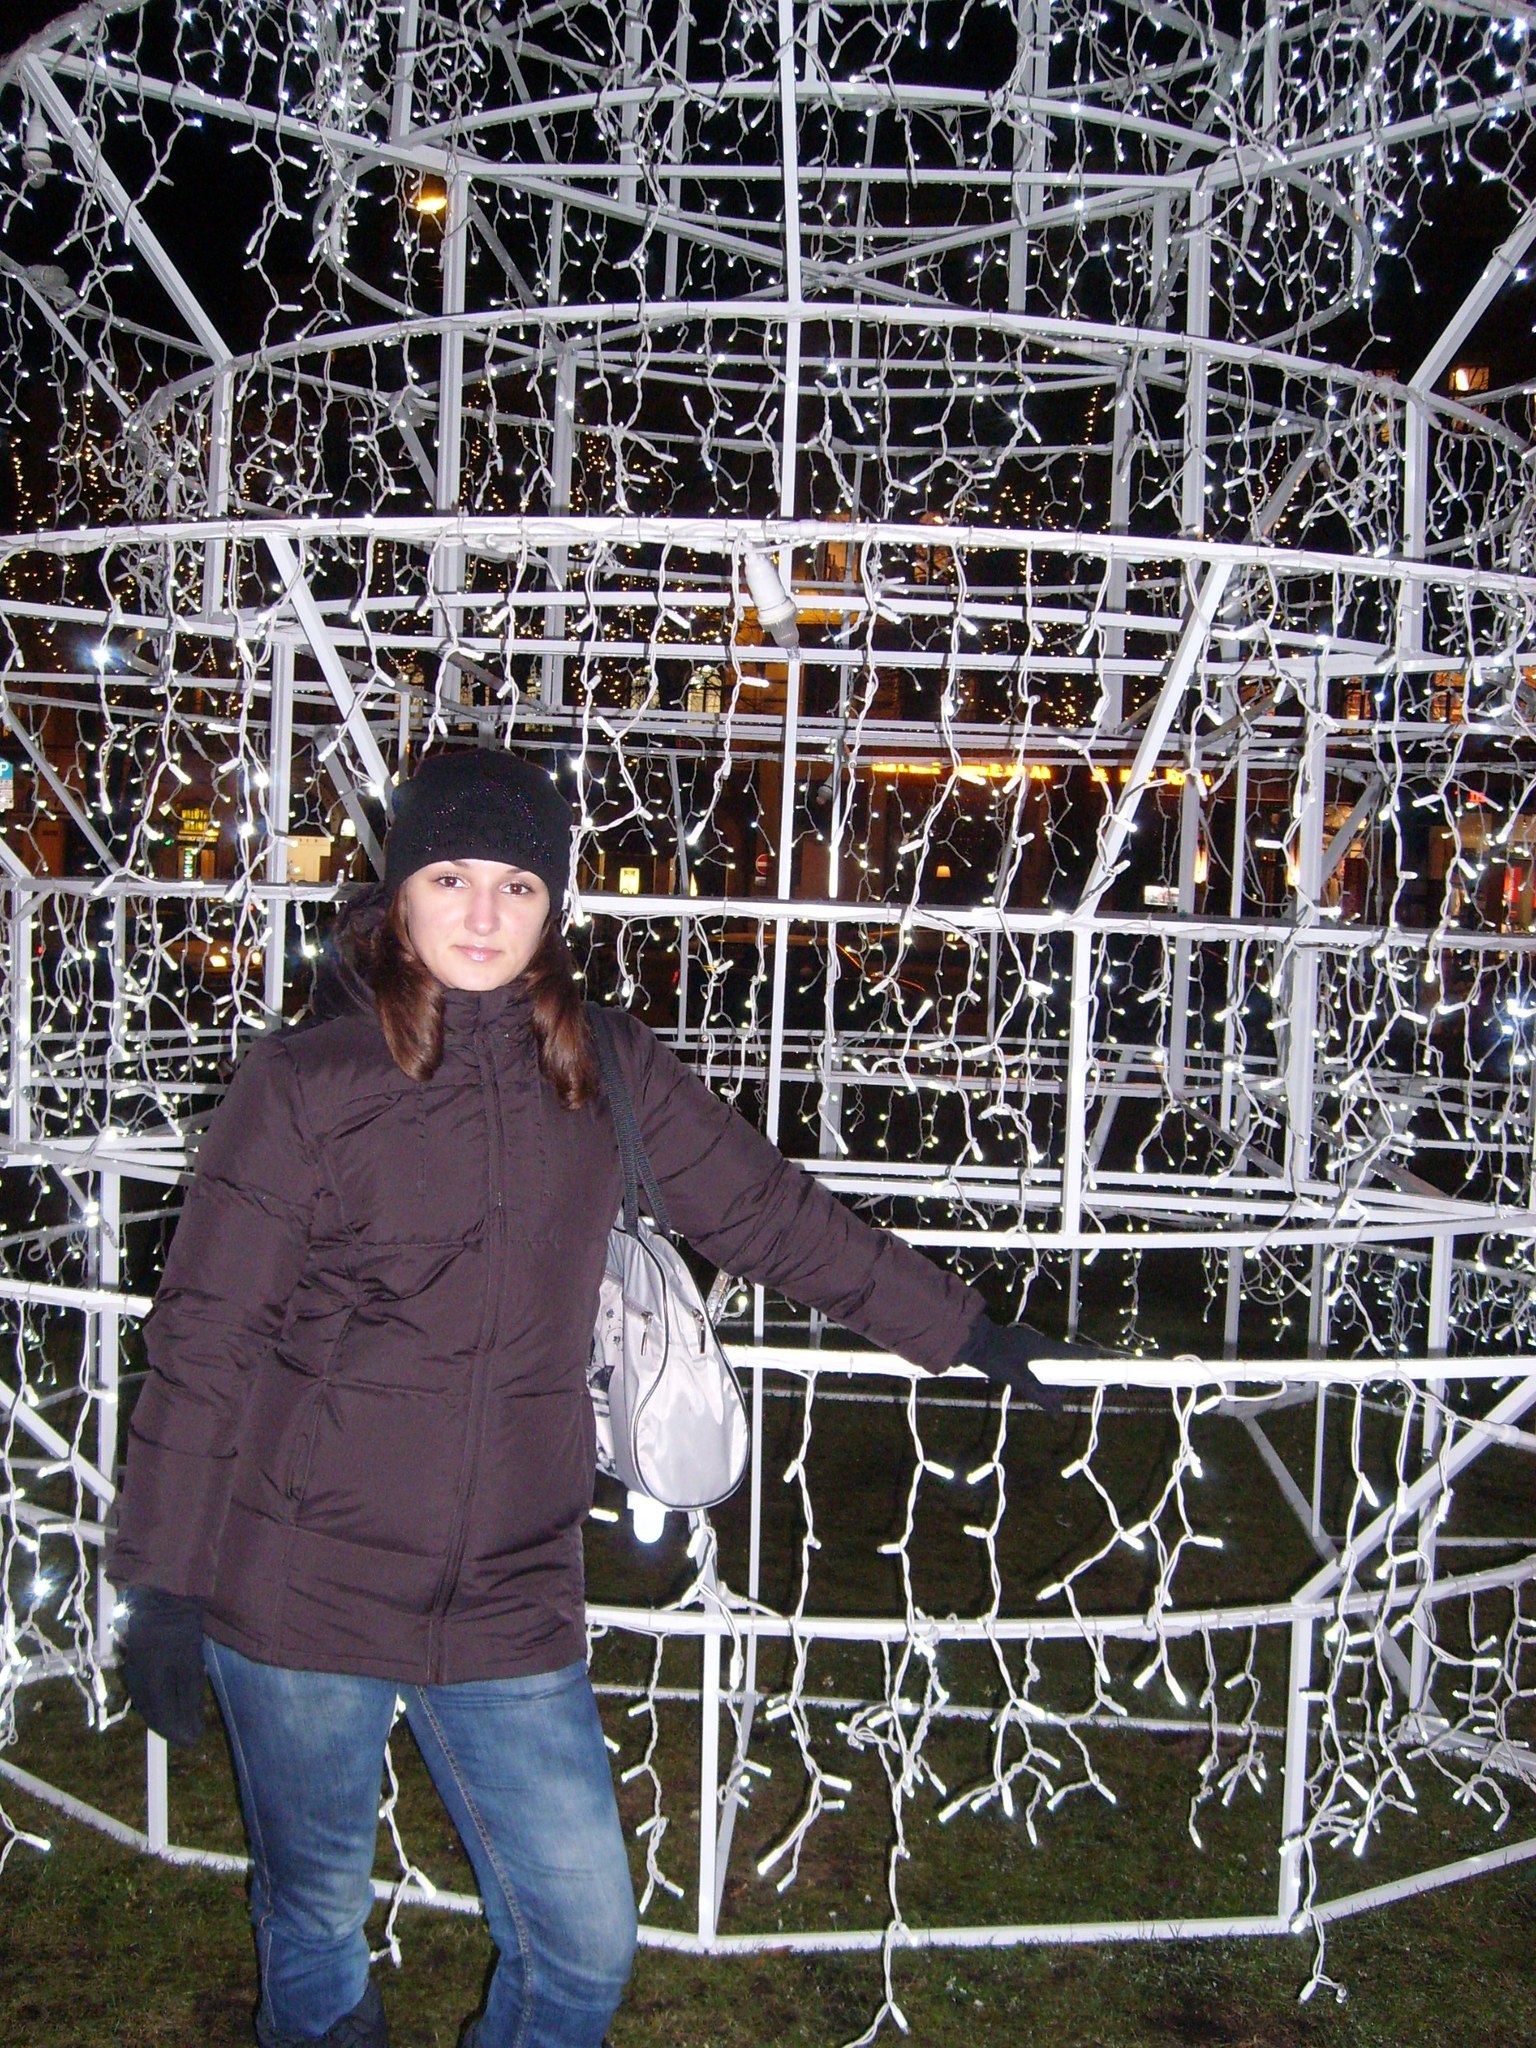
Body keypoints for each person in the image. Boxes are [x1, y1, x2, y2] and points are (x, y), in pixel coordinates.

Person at [108, 749, 1073, 2048]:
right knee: (315, 1919)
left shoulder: (602, 1068)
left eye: (516, 885)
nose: (482, 914)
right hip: (302, 1585)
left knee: (582, 1945)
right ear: (399, 894)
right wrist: (164, 1585)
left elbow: (768, 1213)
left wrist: (957, 1330)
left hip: (510, 1590)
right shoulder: (307, 1086)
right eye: (450, 878)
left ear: (553, 904)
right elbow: (207, 1342)